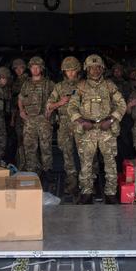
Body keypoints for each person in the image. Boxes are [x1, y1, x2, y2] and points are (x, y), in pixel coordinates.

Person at [68, 54, 127, 204]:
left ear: (102, 69)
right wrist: (81, 121)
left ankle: (111, 193)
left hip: (106, 129)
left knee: (110, 163)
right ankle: (86, 193)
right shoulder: (80, 87)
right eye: (91, 68)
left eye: (98, 67)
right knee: (86, 163)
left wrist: (111, 119)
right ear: (87, 69)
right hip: (88, 129)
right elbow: (72, 106)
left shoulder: (109, 85)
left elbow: (122, 104)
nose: (95, 70)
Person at [46, 56, 81, 197]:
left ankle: (88, 183)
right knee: (67, 154)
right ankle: (72, 182)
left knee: (86, 154)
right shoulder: (59, 87)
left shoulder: (84, 85)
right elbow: (49, 105)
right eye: (68, 71)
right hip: (65, 123)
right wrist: (60, 102)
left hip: (81, 122)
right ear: (64, 72)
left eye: (73, 70)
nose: (71, 73)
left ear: (78, 70)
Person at [18, 57, 54, 177]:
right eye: (33, 67)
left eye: (37, 67)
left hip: (44, 120)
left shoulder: (48, 83)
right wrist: (21, 110)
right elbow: (20, 98)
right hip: (29, 120)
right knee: (29, 147)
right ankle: (32, 172)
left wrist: (51, 109)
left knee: (46, 147)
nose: (35, 69)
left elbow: (56, 98)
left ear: (42, 68)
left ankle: (47, 171)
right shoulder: (26, 84)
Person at [10, 58, 28, 169]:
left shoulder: (28, 80)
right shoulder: (15, 82)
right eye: (16, 69)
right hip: (18, 115)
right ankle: (21, 164)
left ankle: (26, 164)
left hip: (27, 114)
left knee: (27, 140)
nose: (18, 70)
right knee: (20, 140)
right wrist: (12, 118)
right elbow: (13, 102)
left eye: (20, 68)